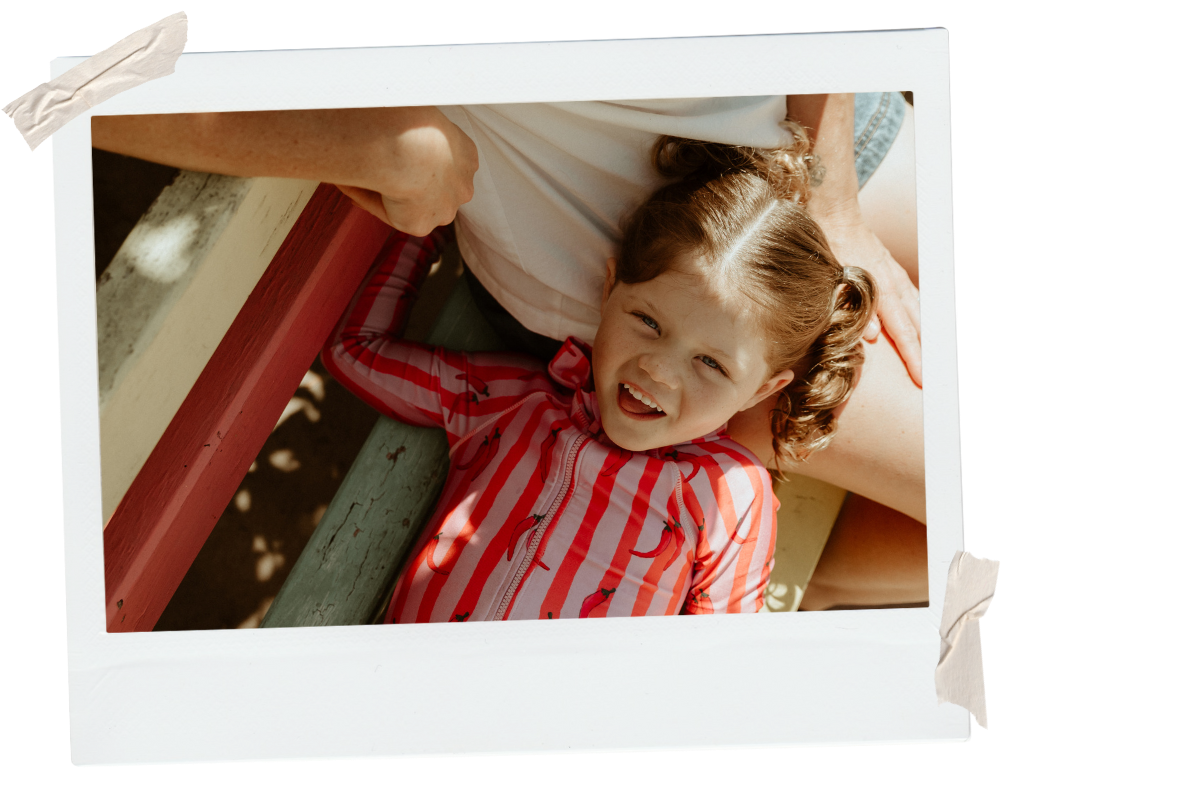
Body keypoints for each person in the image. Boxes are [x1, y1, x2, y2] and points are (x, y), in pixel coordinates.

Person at [92, 91, 926, 607]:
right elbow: (69, 87)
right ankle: (820, 585)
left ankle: (813, 586)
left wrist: (836, 194)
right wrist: (375, 148)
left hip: (803, 149)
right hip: (650, 290)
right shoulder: (668, 375)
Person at [321, 128, 877, 621]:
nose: (656, 368)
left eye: (710, 362)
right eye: (647, 320)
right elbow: (356, 353)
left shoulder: (730, 494)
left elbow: (717, 672)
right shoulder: (508, 401)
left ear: (762, 390)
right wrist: (435, 222)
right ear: (609, 289)